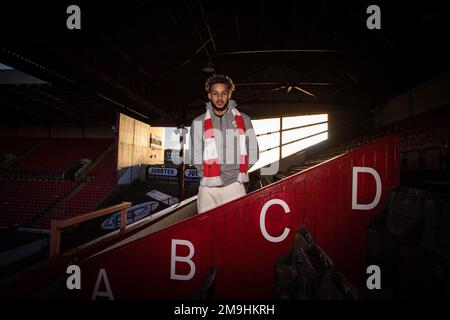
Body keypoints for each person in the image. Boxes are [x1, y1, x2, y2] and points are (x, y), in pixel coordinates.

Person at [190, 74, 259, 214]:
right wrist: (209, 175)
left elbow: (253, 151)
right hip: (207, 188)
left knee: (236, 231)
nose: (219, 98)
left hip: (235, 186)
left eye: (223, 93)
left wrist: (237, 173)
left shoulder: (244, 120)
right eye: (215, 93)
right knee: (207, 231)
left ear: (229, 95)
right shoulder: (198, 122)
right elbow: (195, 155)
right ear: (209, 95)